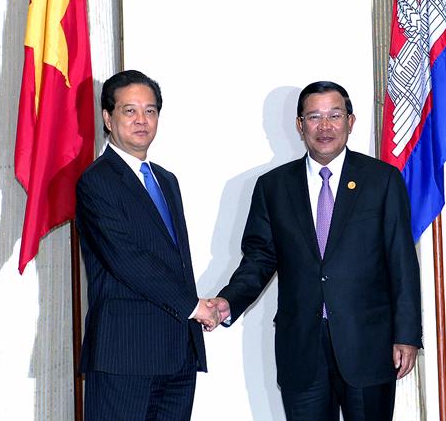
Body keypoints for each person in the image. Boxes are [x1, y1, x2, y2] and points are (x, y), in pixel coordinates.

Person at [206, 81, 422, 420]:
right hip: (301, 348)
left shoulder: (382, 180)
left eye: (335, 115)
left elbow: (402, 262)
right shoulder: (273, 187)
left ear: (350, 122)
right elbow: (260, 259)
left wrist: (407, 334)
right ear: (300, 124)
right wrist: (228, 302)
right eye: (314, 117)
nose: (325, 126)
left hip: (368, 344)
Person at [76, 70, 219, 421]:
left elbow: (174, 262)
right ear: (107, 118)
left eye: (150, 110)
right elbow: (126, 259)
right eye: (130, 110)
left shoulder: (166, 180)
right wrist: (193, 306)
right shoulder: (96, 181)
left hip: (178, 352)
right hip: (124, 354)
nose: (142, 119)